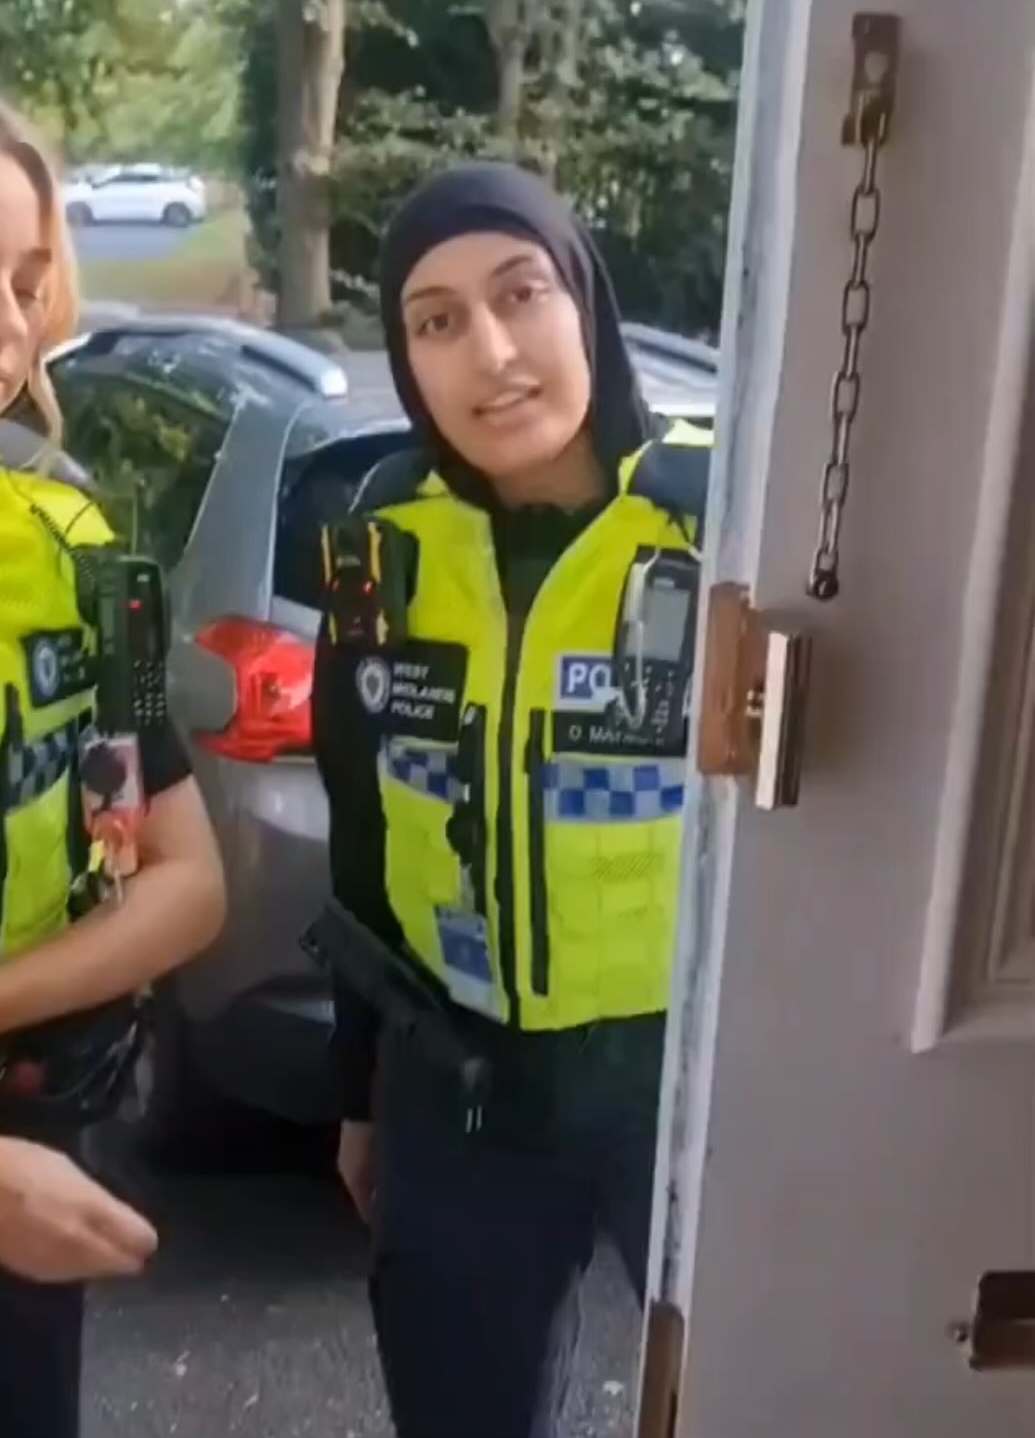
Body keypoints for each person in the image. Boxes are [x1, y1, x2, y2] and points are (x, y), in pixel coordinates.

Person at [0, 54, 227, 1438]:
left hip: (20, 1161)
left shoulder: (72, 536)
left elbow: (185, 878)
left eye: (25, 280)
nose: (2, 325)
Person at [312, 162, 711, 1438]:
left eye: (521, 293)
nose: (489, 352)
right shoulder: (384, 539)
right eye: (436, 321)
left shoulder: (716, 521)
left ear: (584, 300)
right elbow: (360, 827)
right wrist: (363, 1093)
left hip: (688, 1076)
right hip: (462, 1079)